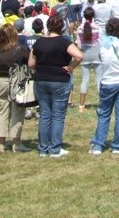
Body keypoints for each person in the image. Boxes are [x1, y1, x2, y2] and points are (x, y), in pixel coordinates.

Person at [29, 14, 83, 158]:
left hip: (41, 80)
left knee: (45, 115)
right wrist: (71, 67)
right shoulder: (64, 42)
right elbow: (79, 56)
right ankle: (54, 148)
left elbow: (31, 64)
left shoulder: (39, 43)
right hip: (59, 79)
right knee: (58, 116)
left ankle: (43, 148)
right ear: (62, 27)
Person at [89, 17, 119, 155]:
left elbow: (101, 59)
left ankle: (98, 144)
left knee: (104, 114)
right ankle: (117, 145)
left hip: (107, 82)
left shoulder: (102, 45)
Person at [0, 24, 32, 153]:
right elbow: (30, 62)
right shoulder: (20, 49)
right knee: (18, 112)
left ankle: (1, 143)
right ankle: (16, 143)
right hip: (17, 80)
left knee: (3, 112)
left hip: (2, 81)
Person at [76, 7, 101, 111]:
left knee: (85, 80)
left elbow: (79, 45)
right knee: (99, 79)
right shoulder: (97, 28)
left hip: (85, 53)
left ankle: (81, 105)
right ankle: (103, 103)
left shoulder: (80, 29)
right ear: (93, 16)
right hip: (96, 53)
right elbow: (101, 41)